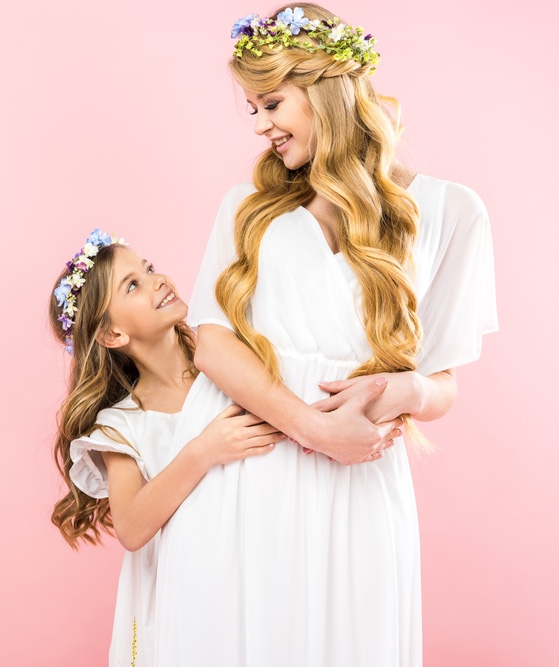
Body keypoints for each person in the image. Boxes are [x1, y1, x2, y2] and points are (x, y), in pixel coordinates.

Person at [152, 5, 498, 666]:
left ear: (326, 89)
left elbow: (444, 380)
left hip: (360, 481)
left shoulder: (452, 211)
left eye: (271, 103)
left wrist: (409, 388)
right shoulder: (246, 207)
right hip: (245, 474)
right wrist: (311, 429)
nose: (260, 126)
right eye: (251, 108)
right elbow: (212, 342)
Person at [48, 229, 294, 666]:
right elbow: (132, 526)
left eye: (148, 268)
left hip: (253, 569)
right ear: (111, 335)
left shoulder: (225, 366)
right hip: (186, 597)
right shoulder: (123, 424)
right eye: (133, 285)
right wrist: (204, 450)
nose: (157, 279)